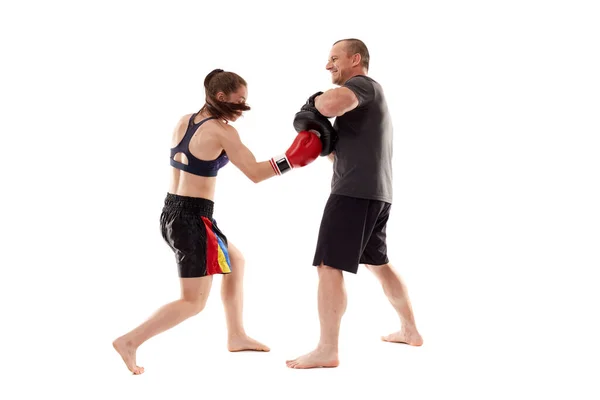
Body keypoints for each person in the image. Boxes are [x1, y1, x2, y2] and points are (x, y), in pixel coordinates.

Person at [113, 68, 323, 375]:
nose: (242, 109)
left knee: (234, 261)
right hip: (191, 219)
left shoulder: (185, 121)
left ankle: (236, 335)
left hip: (173, 211)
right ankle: (130, 341)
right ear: (220, 97)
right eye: (238, 102)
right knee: (193, 303)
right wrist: (292, 159)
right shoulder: (222, 132)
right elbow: (254, 172)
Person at [286, 39, 423, 369]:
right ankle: (410, 330)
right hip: (375, 193)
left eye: (334, 58)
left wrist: (312, 103)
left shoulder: (361, 85)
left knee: (329, 266)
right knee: (379, 263)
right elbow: (336, 149)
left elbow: (331, 105)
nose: (328, 64)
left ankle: (326, 349)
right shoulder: (365, 102)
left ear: (355, 59)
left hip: (354, 192)